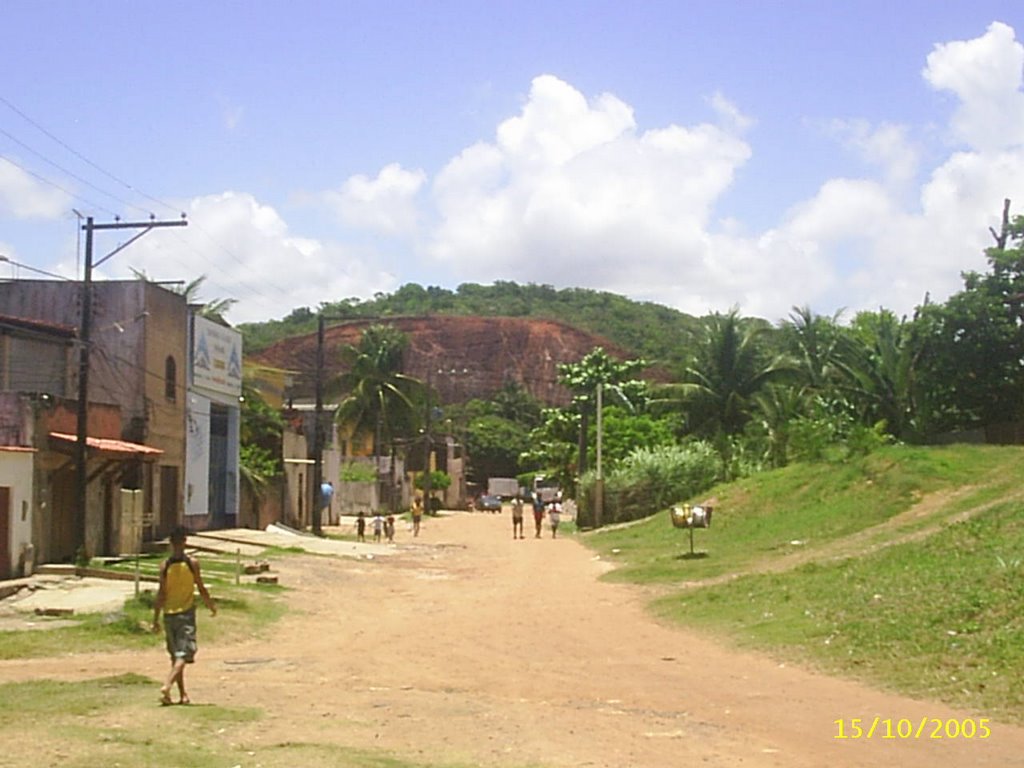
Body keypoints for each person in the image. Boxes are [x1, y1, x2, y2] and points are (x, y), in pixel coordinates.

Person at [152, 525, 216, 706]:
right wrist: (211, 606)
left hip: (168, 615)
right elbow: (201, 587)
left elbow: (161, 594)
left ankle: (182, 695)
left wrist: (155, 618)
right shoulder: (192, 563)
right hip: (185, 614)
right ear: (185, 542)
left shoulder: (164, 565)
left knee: (175, 657)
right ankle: (167, 685)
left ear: (171, 543)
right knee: (184, 654)